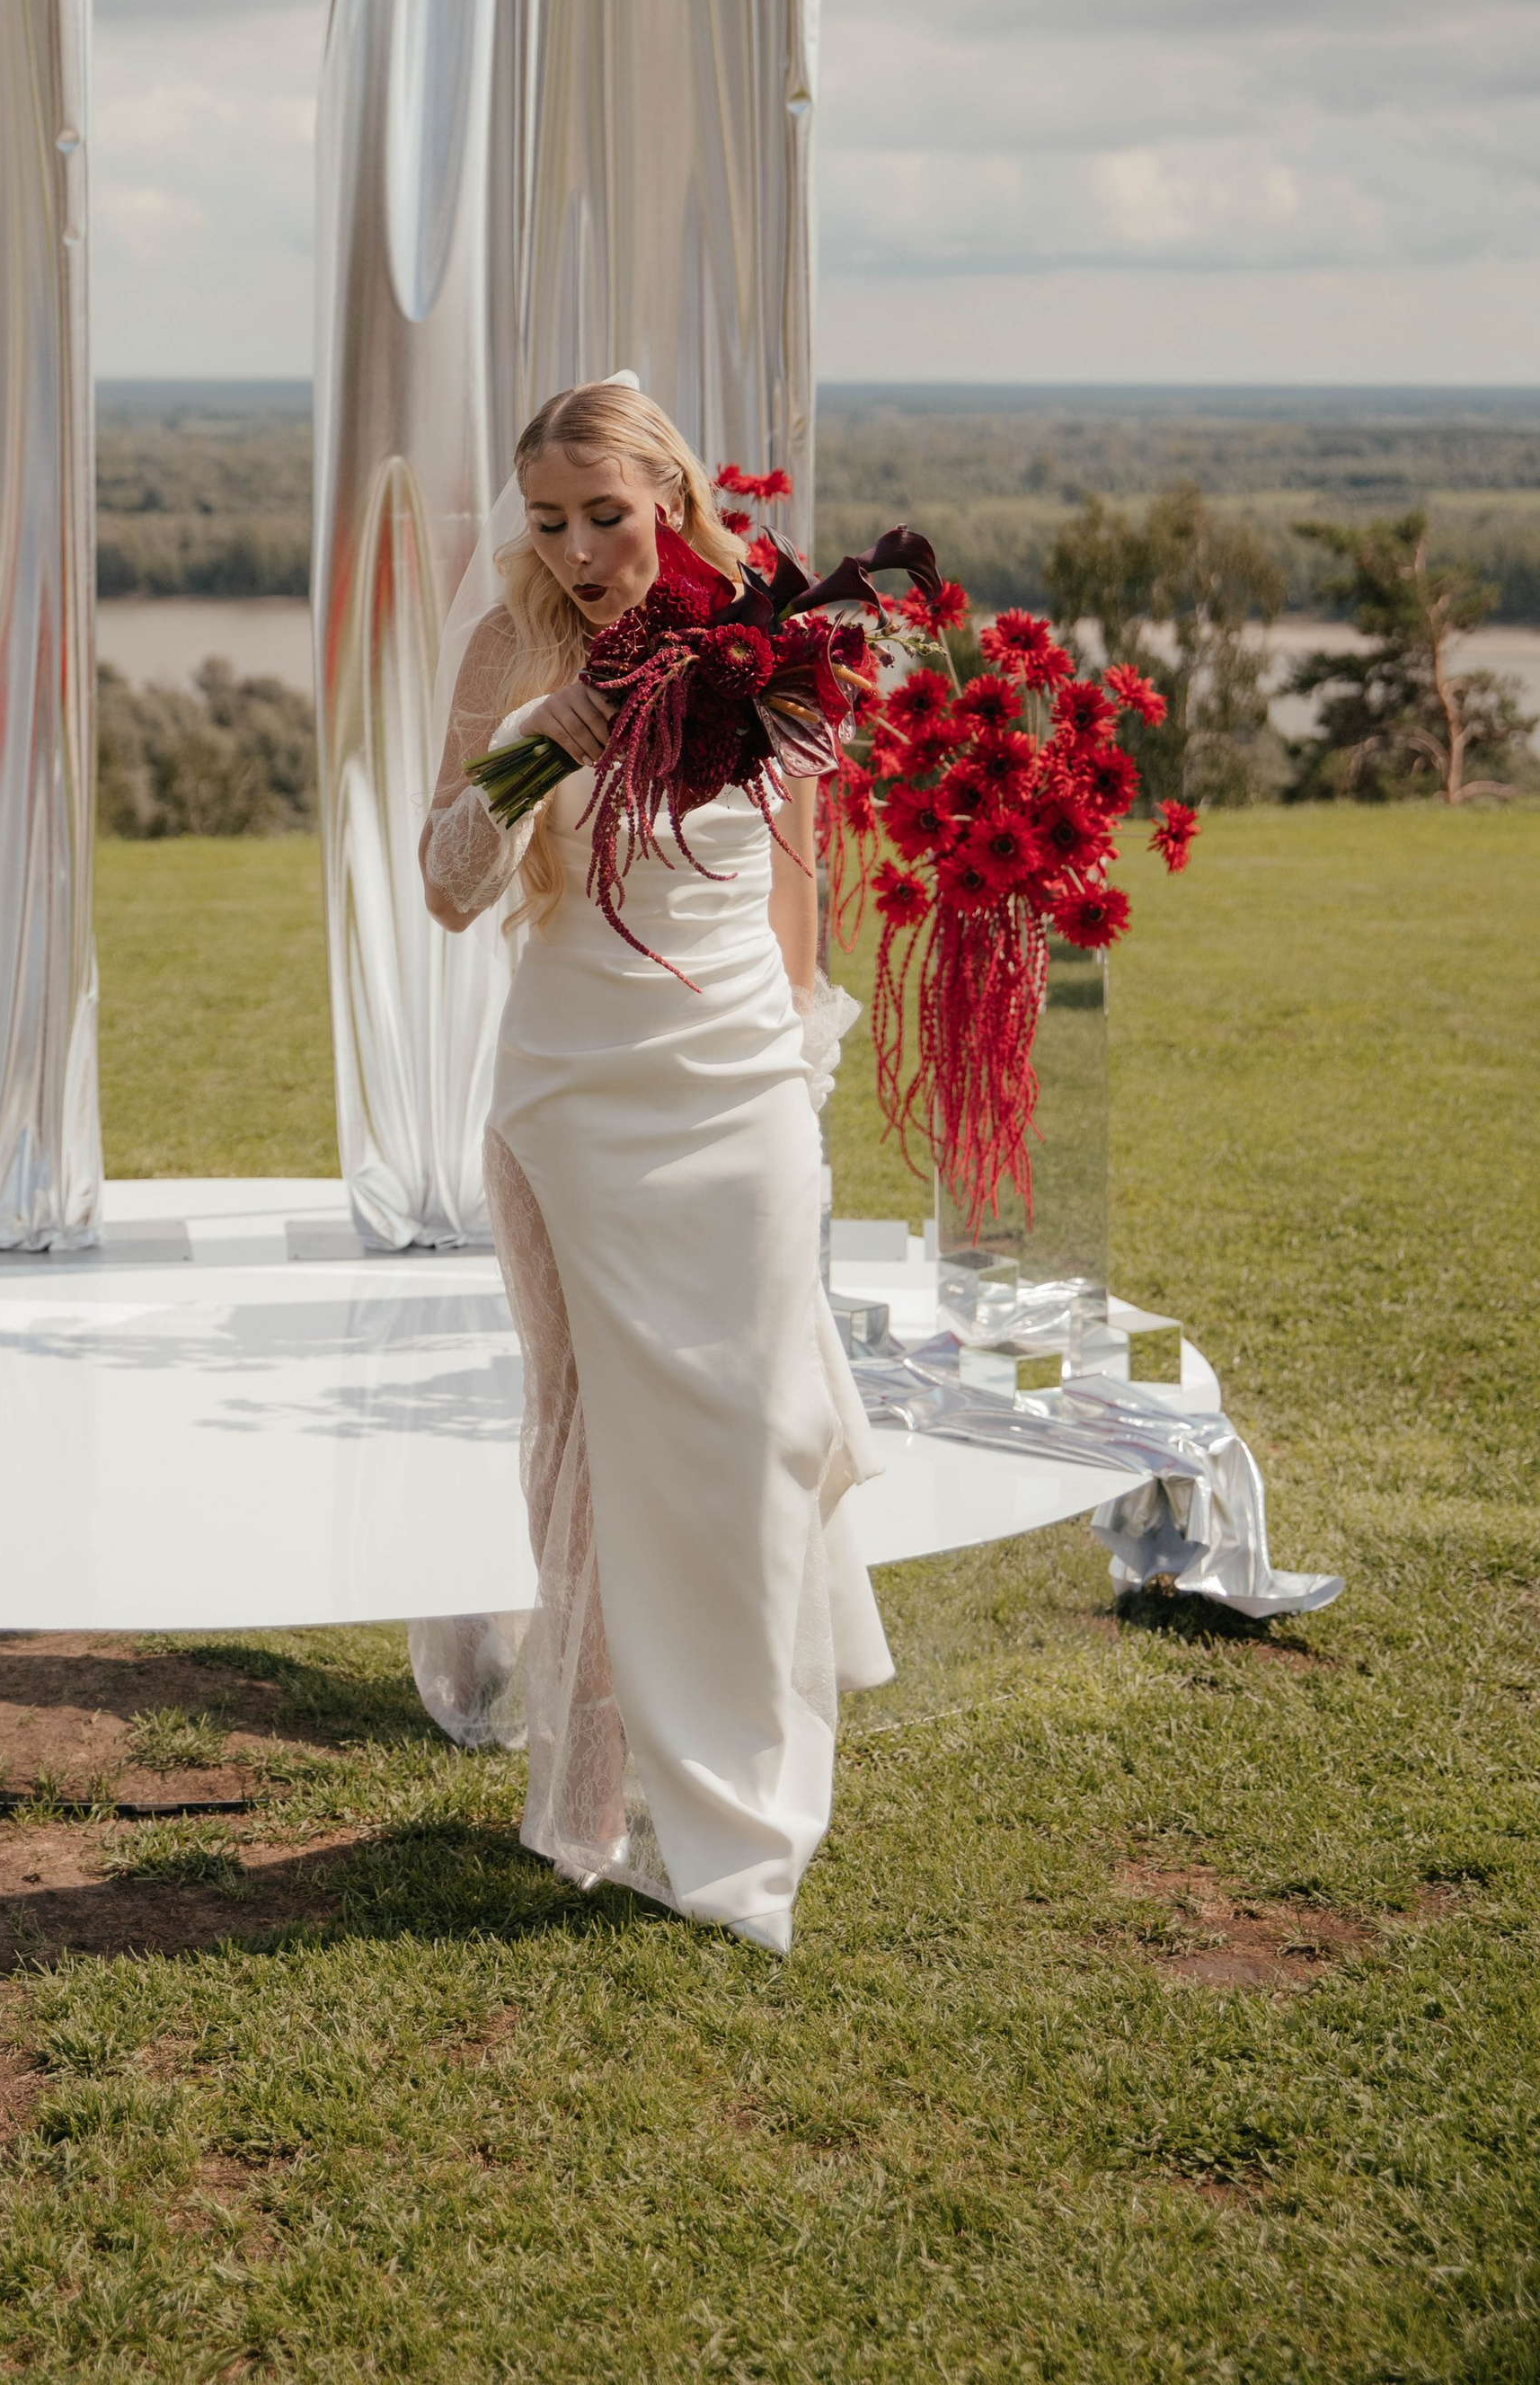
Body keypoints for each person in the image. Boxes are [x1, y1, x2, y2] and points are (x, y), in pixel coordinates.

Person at [418, 378, 892, 1952]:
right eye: (546, 522)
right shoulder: (509, 646)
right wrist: (533, 750)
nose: (574, 550)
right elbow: (445, 887)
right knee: (600, 1444)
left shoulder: (766, 639)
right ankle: (595, 1791)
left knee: (755, 1432)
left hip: (742, 1091)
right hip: (569, 1099)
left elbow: (797, 888)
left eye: (604, 516)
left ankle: (750, 1815)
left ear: (671, 499)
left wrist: (804, 1075)